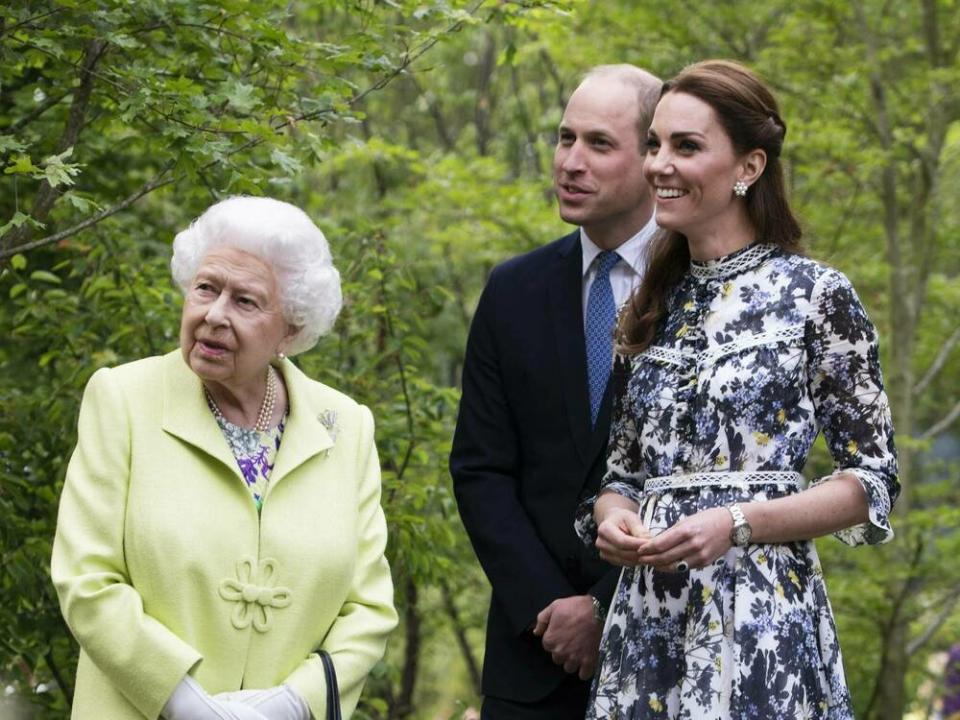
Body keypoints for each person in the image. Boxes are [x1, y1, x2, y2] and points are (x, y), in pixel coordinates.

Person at [575, 59, 900, 719]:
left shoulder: (816, 295)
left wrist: (738, 524)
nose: (660, 164)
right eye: (656, 145)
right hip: (647, 625)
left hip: (761, 619)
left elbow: (871, 483)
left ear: (748, 168)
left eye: (686, 147)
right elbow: (621, 474)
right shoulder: (650, 303)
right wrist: (614, 522)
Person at [51, 196, 398, 719]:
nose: (213, 315)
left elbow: (368, 608)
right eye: (206, 288)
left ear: (291, 329)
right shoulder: (123, 399)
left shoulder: (345, 426)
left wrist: (291, 705)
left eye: (245, 301)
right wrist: (186, 704)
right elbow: (86, 579)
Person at [450, 64, 662, 719]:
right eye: (564, 138)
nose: (570, 161)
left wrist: (605, 605)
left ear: (654, 157)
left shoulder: (704, 294)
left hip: (665, 656)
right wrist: (553, 608)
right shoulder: (513, 290)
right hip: (530, 664)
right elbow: (480, 468)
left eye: (599, 144)